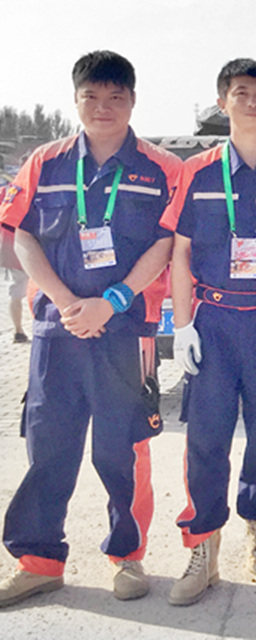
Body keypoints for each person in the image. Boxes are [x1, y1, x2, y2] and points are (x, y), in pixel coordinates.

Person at [0, 51, 181, 607]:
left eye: (115, 98)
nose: (103, 108)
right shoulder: (45, 162)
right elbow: (20, 235)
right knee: (49, 446)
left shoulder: (160, 169)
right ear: (76, 100)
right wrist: (63, 301)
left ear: (132, 101)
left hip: (126, 331)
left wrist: (113, 301)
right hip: (56, 331)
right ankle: (39, 562)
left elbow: (168, 242)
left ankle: (127, 556)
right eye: (92, 97)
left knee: (122, 448)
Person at [160, 59, 256, 605]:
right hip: (213, 319)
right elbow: (180, 253)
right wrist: (183, 325)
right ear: (222, 102)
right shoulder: (197, 172)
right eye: (241, 92)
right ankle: (202, 550)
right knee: (205, 439)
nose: (252, 101)